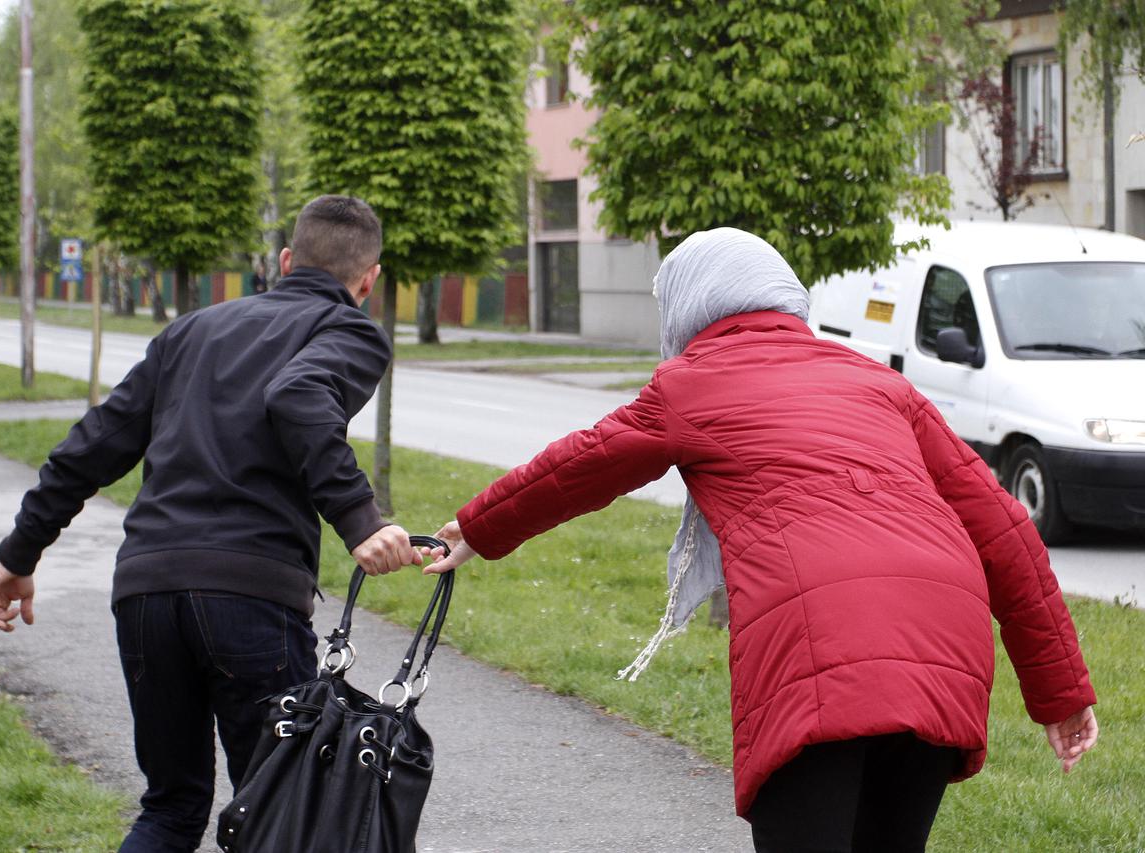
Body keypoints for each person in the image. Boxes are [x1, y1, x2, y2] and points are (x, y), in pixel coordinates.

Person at [424, 228, 1098, 852]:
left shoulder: (689, 385)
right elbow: (1007, 528)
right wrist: (1061, 694)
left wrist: (479, 527)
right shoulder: (877, 381)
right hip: (943, 644)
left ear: (688, 307)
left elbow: (580, 465)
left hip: (822, 641)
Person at [0, 195, 422, 852]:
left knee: (171, 806)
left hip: (146, 591)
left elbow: (90, 446)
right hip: (250, 597)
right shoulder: (350, 331)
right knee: (280, 815)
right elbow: (298, 395)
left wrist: (19, 556)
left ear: (283, 260)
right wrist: (360, 519)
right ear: (370, 280)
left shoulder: (190, 330)